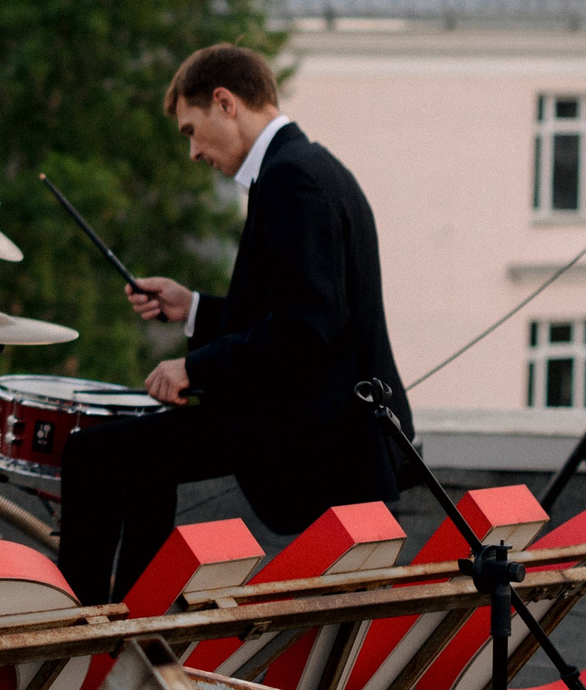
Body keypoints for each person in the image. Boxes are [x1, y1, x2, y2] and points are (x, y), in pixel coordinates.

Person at [57, 45, 414, 605]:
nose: (194, 153)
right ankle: (134, 623)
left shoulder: (290, 180)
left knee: (90, 456)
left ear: (225, 103)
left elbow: (305, 329)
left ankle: (78, 641)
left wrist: (193, 366)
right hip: (322, 418)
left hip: (310, 432)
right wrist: (193, 307)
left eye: (192, 131)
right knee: (141, 459)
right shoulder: (312, 167)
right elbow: (300, 312)